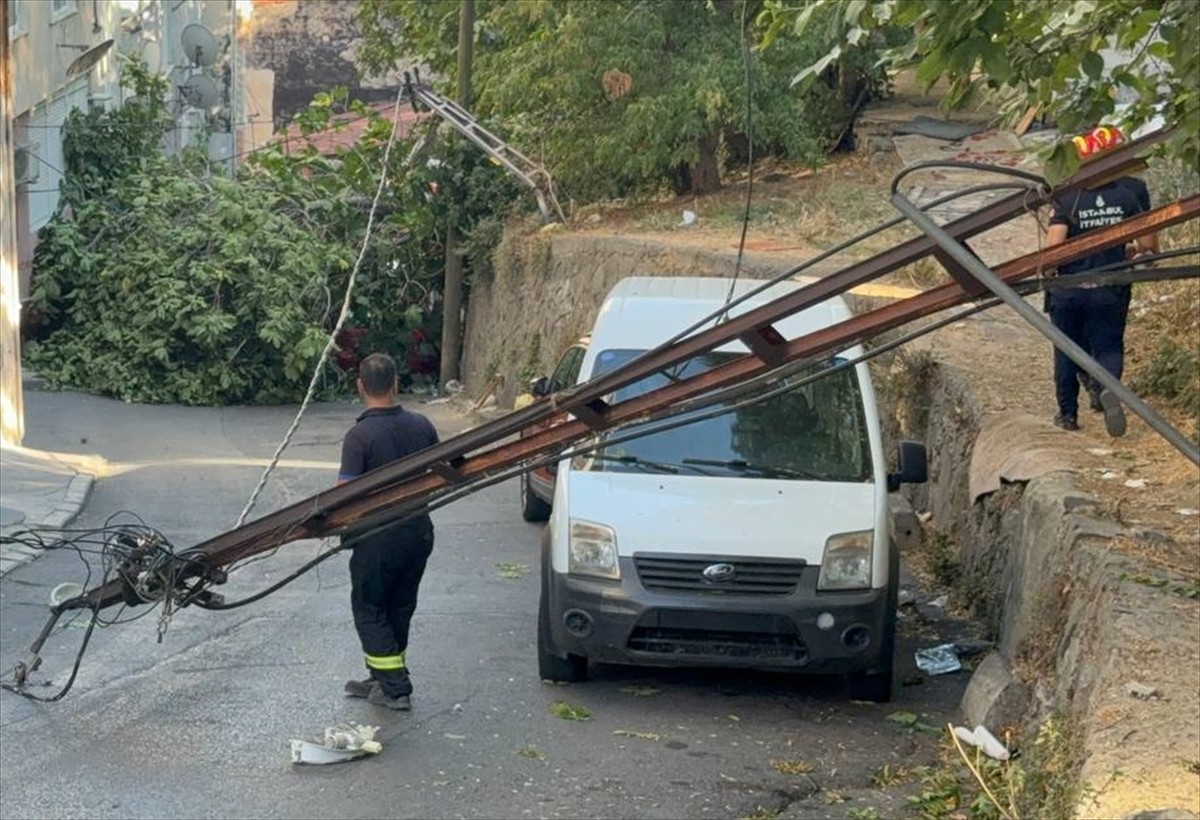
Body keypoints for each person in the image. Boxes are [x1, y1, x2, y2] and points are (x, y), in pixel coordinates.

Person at [338, 353, 440, 710]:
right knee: (399, 606)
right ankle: (382, 676)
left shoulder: (359, 436)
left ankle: (395, 687)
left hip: (377, 538)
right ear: (396, 384)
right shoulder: (422, 425)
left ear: (360, 386)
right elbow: (439, 473)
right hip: (418, 532)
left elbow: (344, 495)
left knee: (369, 608)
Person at [1045, 168, 1157, 436]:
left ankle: (1068, 415)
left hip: (1069, 290)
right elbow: (1148, 244)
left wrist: (1048, 274)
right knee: (1109, 346)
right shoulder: (1127, 196)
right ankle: (1107, 390)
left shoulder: (1067, 199)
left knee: (1066, 350)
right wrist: (1132, 250)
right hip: (1109, 289)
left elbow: (1052, 254)